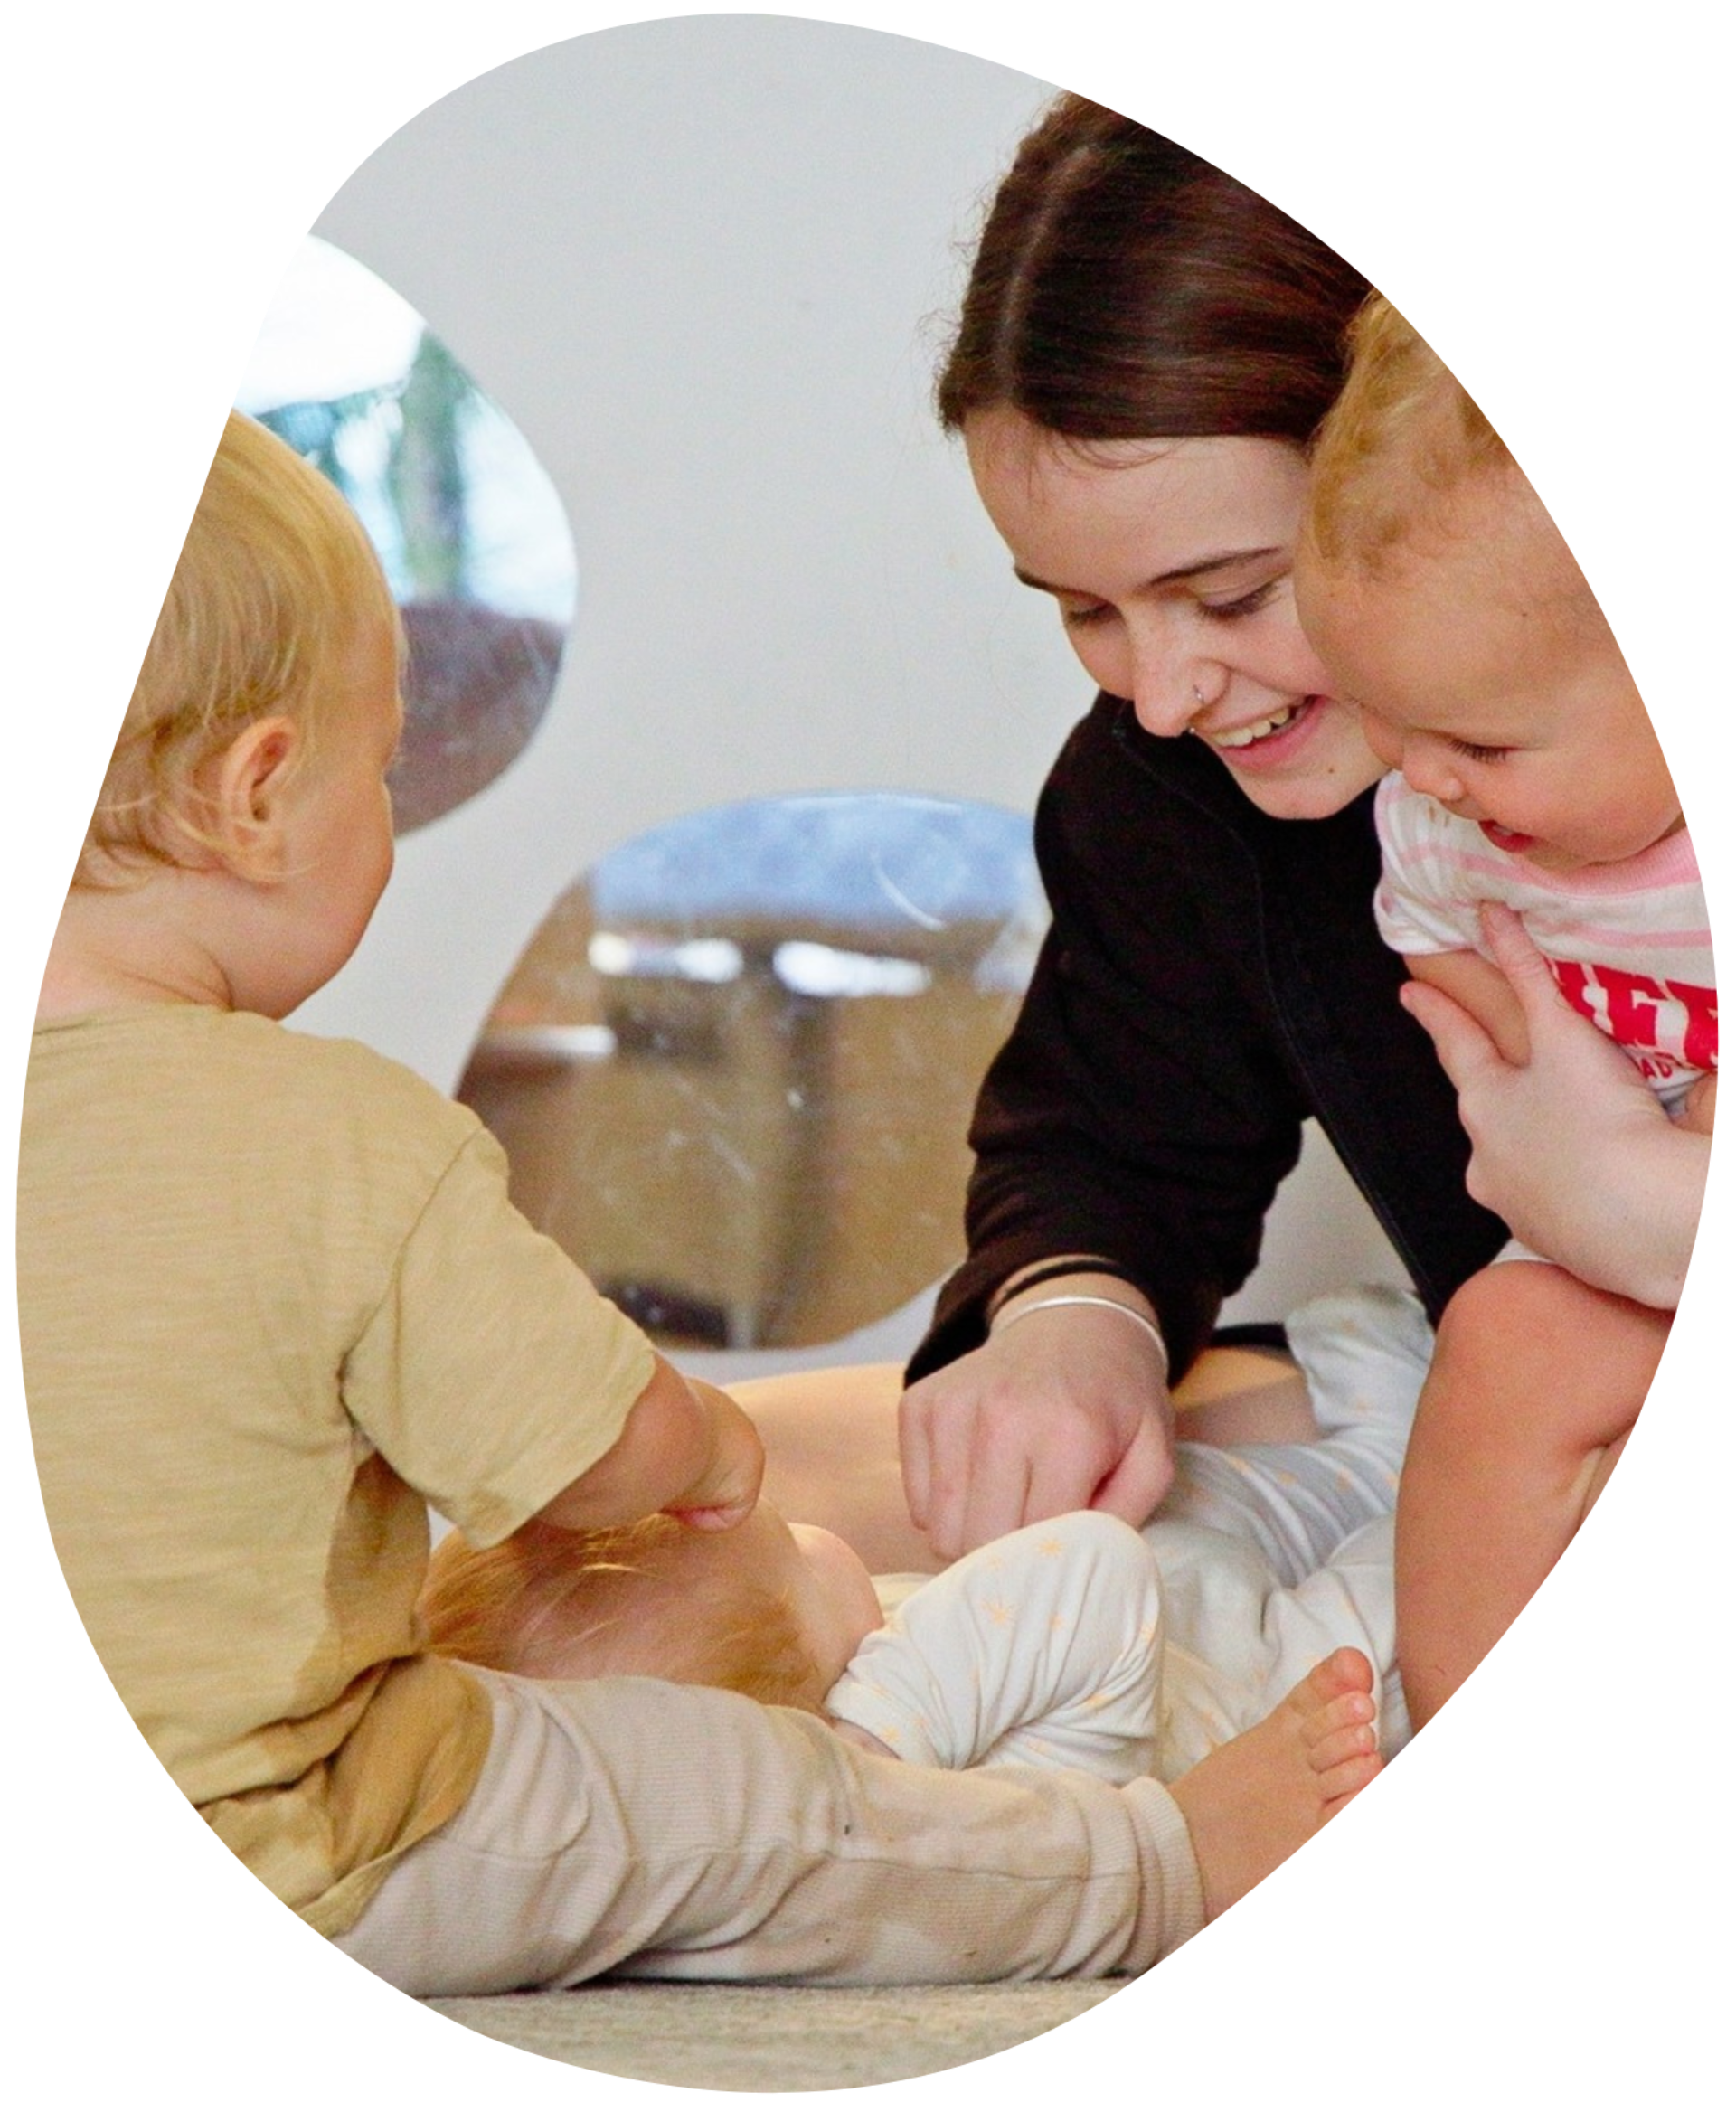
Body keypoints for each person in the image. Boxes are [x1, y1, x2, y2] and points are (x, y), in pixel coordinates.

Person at [20, 408, 1382, 2001]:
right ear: (257, 794)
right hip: (309, 1835)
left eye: (1222, 595)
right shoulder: (323, 1135)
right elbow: (583, 1447)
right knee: (753, 1811)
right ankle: (1164, 1862)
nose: (1157, 686)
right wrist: (704, 1445)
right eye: (383, 767)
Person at [889, 95, 1705, 1576]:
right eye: (1082, 609)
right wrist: (1075, 1316)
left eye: (1236, 593)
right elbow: (1106, 1139)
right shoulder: (1171, 791)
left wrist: (1636, 1206)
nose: (1160, 693)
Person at [1292, 295, 1711, 1722]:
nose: (1428, 780)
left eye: (1475, 741)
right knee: (1495, 1343)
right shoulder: (1450, 818)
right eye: (1391, 726)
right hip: (1592, 1235)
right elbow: (1449, 973)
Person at [427, 1285, 1429, 1776]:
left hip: (1190, 1604)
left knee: (1240, 1484)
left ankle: (1405, 1402)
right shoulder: (907, 1747)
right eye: (787, 1543)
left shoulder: (846, 1668)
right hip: (1263, 1680)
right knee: (1422, 1554)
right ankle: (1443, 1440)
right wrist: (889, 1731)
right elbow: (1094, 1567)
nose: (811, 1530)